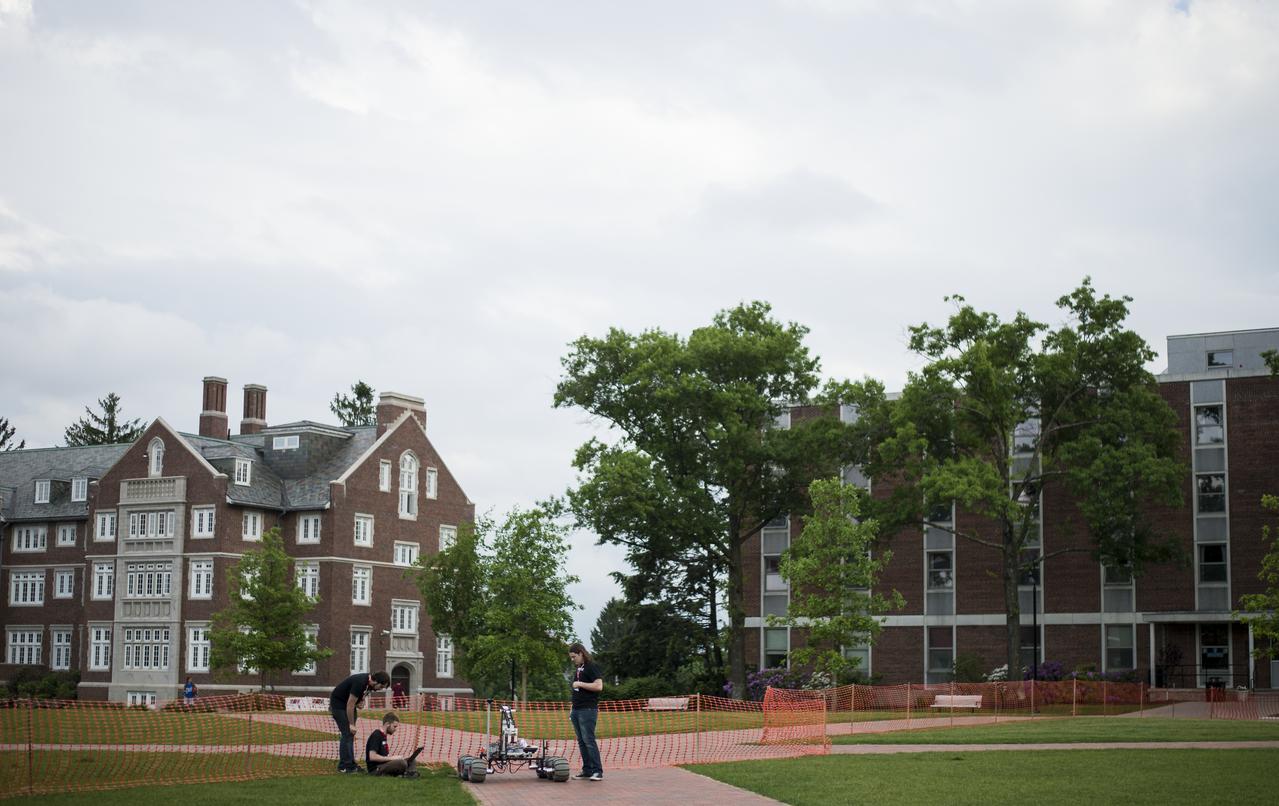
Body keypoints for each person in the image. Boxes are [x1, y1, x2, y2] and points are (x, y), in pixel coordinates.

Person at [329, 670, 391, 773]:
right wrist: (351, 724)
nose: (380, 689)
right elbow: (350, 704)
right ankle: (344, 766)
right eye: (381, 687)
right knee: (347, 733)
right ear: (376, 681)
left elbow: (357, 700)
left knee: (350, 734)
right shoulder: (360, 682)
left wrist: (360, 703)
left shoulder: (369, 685)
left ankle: (351, 764)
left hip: (347, 705)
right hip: (339, 705)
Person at [567, 642, 604, 781]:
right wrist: (572, 709)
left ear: (581, 653)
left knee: (589, 740)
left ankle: (597, 771)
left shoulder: (591, 667)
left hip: (587, 709)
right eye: (571, 657)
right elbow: (577, 691)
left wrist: (580, 684)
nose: (572, 660)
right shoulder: (579, 668)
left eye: (573, 656)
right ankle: (587, 770)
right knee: (582, 741)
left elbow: (599, 686)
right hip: (576, 710)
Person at [366, 712, 420, 778]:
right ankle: (407, 774)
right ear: (387, 724)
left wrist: (394, 758)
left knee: (412, 760)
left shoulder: (383, 736)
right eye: (394, 726)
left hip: (384, 765)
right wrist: (392, 758)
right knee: (401, 763)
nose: (395, 729)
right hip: (376, 769)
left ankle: (410, 774)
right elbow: (372, 757)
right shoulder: (376, 735)